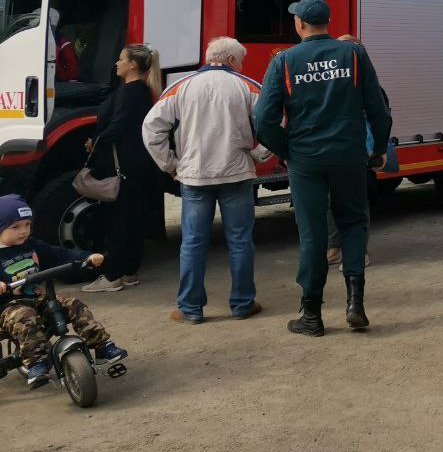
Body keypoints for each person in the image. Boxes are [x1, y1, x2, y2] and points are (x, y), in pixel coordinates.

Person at [253, 0, 392, 337]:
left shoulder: (284, 61)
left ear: (299, 24)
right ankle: (355, 304)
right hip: (349, 156)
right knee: (354, 224)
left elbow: (263, 119)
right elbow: (378, 107)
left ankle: (312, 315)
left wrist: (287, 150)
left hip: (307, 160)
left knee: (313, 234)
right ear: (327, 23)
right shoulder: (354, 54)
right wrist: (378, 148)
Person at [142, 37, 267, 325]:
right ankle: (242, 303)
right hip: (237, 173)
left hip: (194, 176)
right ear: (233, 61)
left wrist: (171, 164)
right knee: (240, 242)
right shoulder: (247, 85)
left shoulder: (181, 86)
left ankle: (190, 308)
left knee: (193, 244)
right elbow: (275, 120)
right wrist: (260, 154)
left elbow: (151, 129)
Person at [0, 195, 127, 389]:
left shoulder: (32, 245)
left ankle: (102, 346)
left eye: (27, 224)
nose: (23, 231)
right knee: (25, 316)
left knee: (72, 304)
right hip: (9, 308)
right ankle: (35, 363)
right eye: (15, 227)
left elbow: (60, 254)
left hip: (38, 298)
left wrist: (87, 257)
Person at [82, 44, 163, 293]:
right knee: (133, 218)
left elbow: (118, 126)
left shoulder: (130, 92)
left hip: (121, 166)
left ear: (132, 65)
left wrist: (95, 143)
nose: (116, 64)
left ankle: (113, 276)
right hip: (134, 164)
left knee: (118, 221)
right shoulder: (141, 91)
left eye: (120, 60)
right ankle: (129, 272)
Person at [324, 34, 395, 269]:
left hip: (358, 155)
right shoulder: (331, 82)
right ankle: (334, 248)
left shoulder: (369, 84)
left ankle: (357, 253)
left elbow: (382, 117)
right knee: (331, 203)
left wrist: (379, 149)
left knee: (355, 206)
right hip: (333, 153)